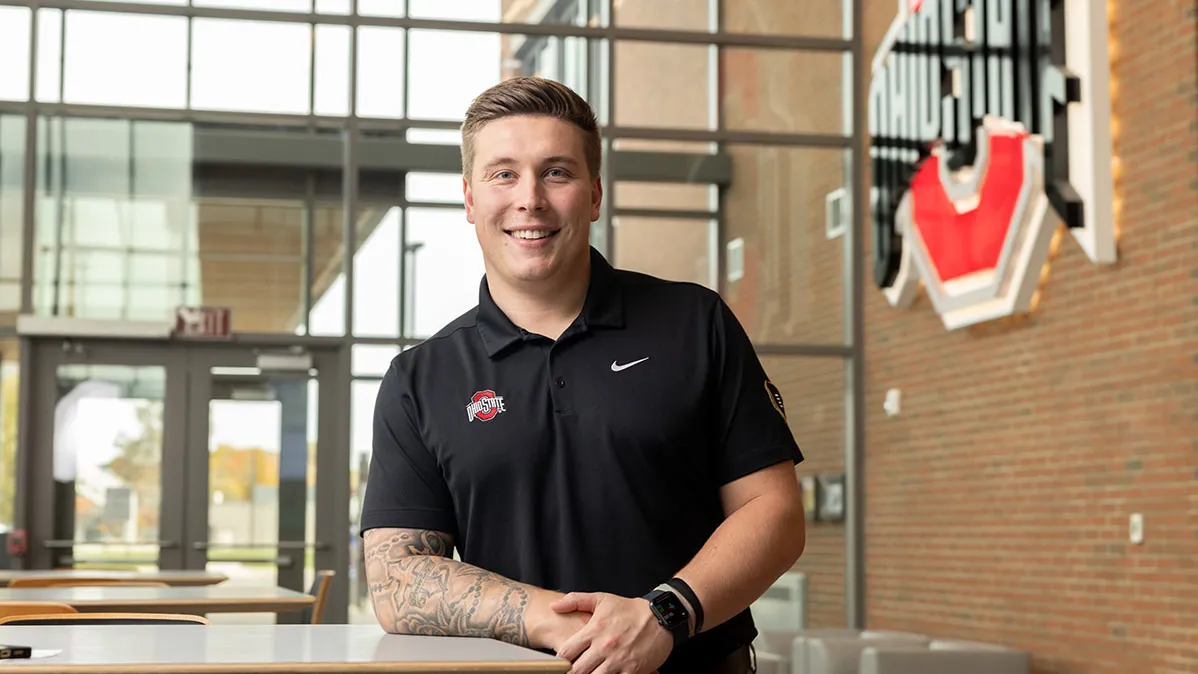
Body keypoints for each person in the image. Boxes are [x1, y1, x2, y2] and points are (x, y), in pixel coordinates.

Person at [360, 76, 806, 674]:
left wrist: (664, 614)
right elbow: (397, 579)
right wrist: (559, 621)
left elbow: (774, 513)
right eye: (503, 174)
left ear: (594, 194)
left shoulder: (695, 324)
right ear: (469, 199)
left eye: (557, 172)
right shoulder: (420, 379)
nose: (530, 199)